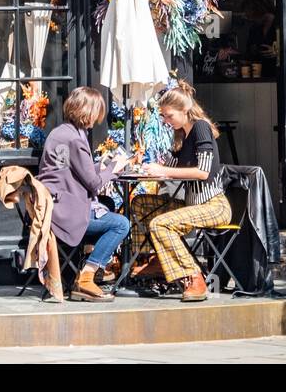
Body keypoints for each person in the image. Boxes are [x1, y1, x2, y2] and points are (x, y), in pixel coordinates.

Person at [129, 85, 231, 302]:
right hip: (192, 205)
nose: (166, 120)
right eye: (163, 116)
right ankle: (157, 260)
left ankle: (194, 277)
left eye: (169, 115)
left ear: (184, 109)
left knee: (160, 224)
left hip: (213, 206)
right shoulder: (180, 135)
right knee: (140, 203)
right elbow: (169, 168)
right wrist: (144, 169)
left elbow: (202, 172)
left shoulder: (201, 128)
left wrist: (163, 170)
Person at [36, 86, 131, 301]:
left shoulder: (60, 133)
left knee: (107, 203)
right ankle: (87, 277)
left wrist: (101, 165)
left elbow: (66, 169)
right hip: (65, 213)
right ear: (88, 111)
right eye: (97, 111)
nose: (98, 118)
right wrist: (114, 169)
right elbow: (95, 184)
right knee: (121, 224)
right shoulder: (75, 139)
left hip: (55, 205)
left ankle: (91, 262)